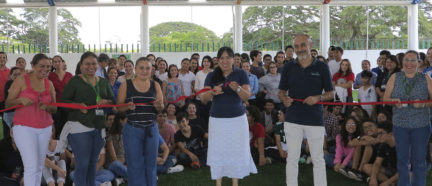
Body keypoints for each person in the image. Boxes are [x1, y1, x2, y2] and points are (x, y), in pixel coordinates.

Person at [278, 34, 334, 186]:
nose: (299, 49)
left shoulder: (322, 66)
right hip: (293, 119)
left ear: (310, 45)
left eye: (303, 45)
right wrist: (284, 99)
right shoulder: (288, 66)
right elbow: (281, 91)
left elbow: (331, 93)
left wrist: (318, 98)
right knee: (292, 158)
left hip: (314, 119)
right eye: (296, 46)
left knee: (318, 158)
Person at [201, 46, 257, 186]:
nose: (225, 61)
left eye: (228, 57)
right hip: (217, 120)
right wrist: (213, 92)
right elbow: (203, 98)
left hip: (237, 120)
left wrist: (237, 88)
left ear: (233, 59)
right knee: (218, 151)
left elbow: (247, 96)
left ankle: (235, 183)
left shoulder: (241, 74)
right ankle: (218, 183)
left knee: (236, 151)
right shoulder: (212, 75)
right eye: (221, 58)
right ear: (217, 60)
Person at [60, 51, 114, 186]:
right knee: (83, 163)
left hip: (99, 126)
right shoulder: (74, 81)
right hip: (79, 126)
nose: (91, 66)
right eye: (87, 64)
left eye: (94, 63)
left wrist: (106, 102)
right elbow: (63, 101)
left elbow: (112, 101)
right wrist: (77, 105)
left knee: (92, 163)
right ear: (81, 65)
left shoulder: (104, 82)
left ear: (98, 65)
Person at [6, 53, 57, 186]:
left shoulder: (49, 84)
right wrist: (20, 100)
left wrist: (48, 107)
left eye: (48, 66)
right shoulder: (21, 80)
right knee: (31, 165)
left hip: (45, 128)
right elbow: (8, 103)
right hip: (24, 128)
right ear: (32, 65)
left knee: (39, 165)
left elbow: (55, 108)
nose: (45, 69)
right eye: (41, 66)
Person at [383, 50, 432, 186]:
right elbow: (385, 98)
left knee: (419, 161)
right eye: (406, 60)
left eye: (412, 60)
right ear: (402, 62)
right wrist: (393, 101)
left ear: (418, 63)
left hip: (421, 126)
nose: (409, 63)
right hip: (400, 125)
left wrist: (423, 105)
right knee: (403, 160)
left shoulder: (425, 78)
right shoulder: (395, 77)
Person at [117, 57, 164, 186]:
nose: (144, 71)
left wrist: (158, 106)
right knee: (134, 164)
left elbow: (161, 107)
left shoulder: (156, 85)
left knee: (151, 163)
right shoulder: (126, 84)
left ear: (151, 70)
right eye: (141, 68)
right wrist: (128, 106)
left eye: (148, 68)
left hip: (151, 129)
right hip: (132, 129)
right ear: (135, 69)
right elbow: (119, 107)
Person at [49, 55, 73, 139]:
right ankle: (57, 148)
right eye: (55, 62)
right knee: (57, 126)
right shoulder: (50, 76)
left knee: (67, 126)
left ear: (63, 63)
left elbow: (73, 90)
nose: (57, 63)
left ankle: (67, 148)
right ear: (52, 64)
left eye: (59, 61)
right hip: (56, 105)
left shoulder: (69, 75)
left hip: (67, 105)